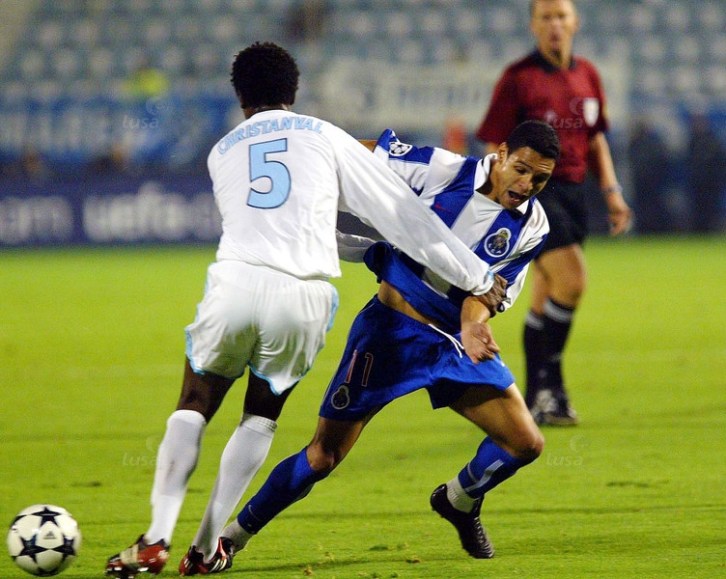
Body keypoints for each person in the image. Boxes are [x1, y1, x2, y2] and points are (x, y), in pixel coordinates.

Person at [104, 42, 506, 579]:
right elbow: (400, 214)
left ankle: (155, 537)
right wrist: (476, 276)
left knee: (195, 402)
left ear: (240, 96)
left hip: (237, 281)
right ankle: (203, 548)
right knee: (260, 415)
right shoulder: (324, 135)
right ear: (293, 91)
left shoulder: (220, 152)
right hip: (304, 294)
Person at [194, 119, 561, 569]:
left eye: (540, 179)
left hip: (452, 343)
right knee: (323, 455)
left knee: (525, 443)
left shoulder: (533, 225)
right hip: (389, 335)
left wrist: (472, 323)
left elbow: (490, 291)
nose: (527, 185)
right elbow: (359, 153)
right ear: (500, 154)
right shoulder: (443, 170)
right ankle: (231, 538)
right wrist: (301, 161)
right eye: (521, 169)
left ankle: (459, 500)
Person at [476, 0, 632, 426]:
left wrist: (612, 192)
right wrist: (502, 196)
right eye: (545, 17)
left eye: (561, 16)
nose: (554, 25)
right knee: (572, 280)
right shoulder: (518, 78)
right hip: (535, 194)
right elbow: (495, 145)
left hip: (575, 194)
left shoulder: (588, 75)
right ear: (533, 25)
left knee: (545, 294)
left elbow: (595, 139)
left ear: (575, 22)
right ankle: (552, 388)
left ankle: (537, 397)